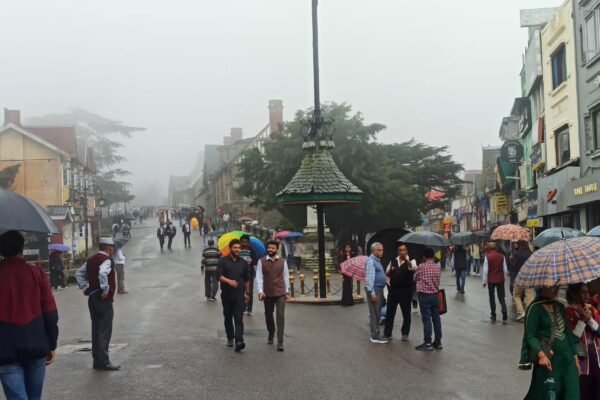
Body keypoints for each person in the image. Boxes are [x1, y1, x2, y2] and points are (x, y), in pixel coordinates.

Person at [0, 231, 58, 399]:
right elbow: (50, 313)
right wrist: (51, 344)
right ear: (22, 248)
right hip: (36, 344)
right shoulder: (36, 273)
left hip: (5, 349)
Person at [522, 287, 580, 399]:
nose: (556, 289)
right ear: (542, 287)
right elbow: (531, 336)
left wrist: (575, 356)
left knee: (572, 393)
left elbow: (567, 333)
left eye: (557, 286)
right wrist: (541, 355)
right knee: (548, 394)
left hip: (568, 360)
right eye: (552, 287)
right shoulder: (535, 308)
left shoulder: (560, 306)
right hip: (549, 360)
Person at [75, 237, 121, 371]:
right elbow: (102, 273)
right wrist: (105, 289)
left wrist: (85, 288)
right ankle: (104, 362)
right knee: (104, 330)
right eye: (112, 248)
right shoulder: (106, 260)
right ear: (109, 248)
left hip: (92, 297)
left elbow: (78, 274)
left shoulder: (91, 260)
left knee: (96, 329)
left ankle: (97, 360)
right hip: (103, 299)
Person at [565, 283, 600, 400]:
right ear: (574, 294)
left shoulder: (591, 310)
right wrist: (582, 321)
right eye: (583, 292)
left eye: (587, 292)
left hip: (596, 360)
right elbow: (572, 340)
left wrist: (590, 319)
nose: (587, 295)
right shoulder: (568, 313)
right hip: (581, 363)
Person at [256, 240, 290, 351]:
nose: (270, 250)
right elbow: (259, 277)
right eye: (269, 248)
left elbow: (286, 277)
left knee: (280, 315)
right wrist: (260, 291)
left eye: (272, 248)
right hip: (267, 293)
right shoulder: (261, 261)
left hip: (280, 292)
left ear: (277, 249)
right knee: (268, 315)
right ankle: (271, 333)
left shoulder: (283, 262)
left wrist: (287, 291)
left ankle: (280, 342)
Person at [217, 239, 250, 352]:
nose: (237, 250)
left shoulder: (244, 263)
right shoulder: (223, 261)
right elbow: (219, 276)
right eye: (235, 247)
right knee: (228, 316)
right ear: (230, 248)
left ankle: (239, 341)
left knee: (238, 317)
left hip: (239, 294)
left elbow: (247, 280)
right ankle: (230, 337)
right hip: (226, 294)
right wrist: (229, 281)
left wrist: (247, 293)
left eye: (239, 248)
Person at [384, 244, 417, 341]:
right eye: (400, 250)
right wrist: (391, 271)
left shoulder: (412, 260)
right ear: (398, 252)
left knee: (406, 313)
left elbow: (413, 267)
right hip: (393, 290)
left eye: (404, 250)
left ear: (407, 251)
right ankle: (387, 333)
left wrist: (405, 259)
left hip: (406, 291)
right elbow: (387, 273)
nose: (402, 252)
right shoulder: (393, 261)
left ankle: (405, 333)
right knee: (390, 313)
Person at [413, 247, 443, 351]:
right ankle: (438, 342)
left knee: (426, 319)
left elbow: (415, 278)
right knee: (436, 319)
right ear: (433, 256)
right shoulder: (437, 266)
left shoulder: (421, 266)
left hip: (424, 296)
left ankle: (428, 342)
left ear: (424, 256)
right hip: (435, 295)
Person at [365, 242, 388, 344]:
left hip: (379, 289)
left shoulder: (377, 261)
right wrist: (372, 292)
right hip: (375, 290)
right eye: (379, 250)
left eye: (382, 250)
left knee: (377, 312)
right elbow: (369, 278)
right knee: (374, 313)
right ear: (373, 250)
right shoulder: (371, 261)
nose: (381, 252)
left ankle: (376, 333)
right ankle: (375, 335)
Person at [482, 242, 509, 323]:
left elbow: (485, 270)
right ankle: (504, 308)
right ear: (496, 248)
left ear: (489, 248)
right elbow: (505, 269)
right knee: (501, 296)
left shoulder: (487, 257)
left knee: (492, 297)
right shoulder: (502, 256)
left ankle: (493, 315)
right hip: (500, 279)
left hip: (491, 280)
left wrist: (484, 281)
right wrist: (505, 278)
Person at [512, 240, 534, 321]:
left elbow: (514, 266)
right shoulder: (531, 254)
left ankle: (521, 312)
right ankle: (531, 312)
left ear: (520, 245)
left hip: (520, 277)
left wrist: (511, 260)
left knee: (516, 295)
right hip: (529, 277)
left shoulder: (517, 254)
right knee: (529, 296)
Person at [240, 234, 257, 316]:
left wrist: (251, 261)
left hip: (249, 273)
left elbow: (256, 261)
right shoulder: (237, 249)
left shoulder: (252, 250)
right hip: (239, 273)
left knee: (249, 291)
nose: (244, 243)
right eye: (243, 242)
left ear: (248, 242)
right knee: (240, 291)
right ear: (240, 242)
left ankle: (249, 309)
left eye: (246, 242)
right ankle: (243, 307)